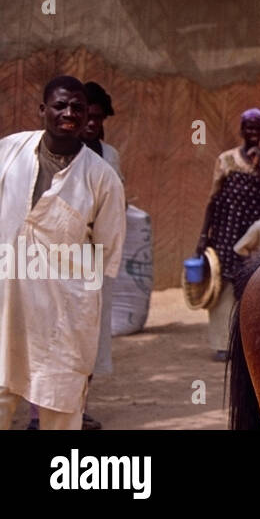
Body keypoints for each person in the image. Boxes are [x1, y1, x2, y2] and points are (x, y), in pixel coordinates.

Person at [0, 75, 125, 430]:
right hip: (6, 301)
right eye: (60, 105)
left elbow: (105, 252)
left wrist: (66, 287)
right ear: (43, 110)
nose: (69, 113)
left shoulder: (101, 178)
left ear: (87, 116)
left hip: (62, 317)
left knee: (61, 405)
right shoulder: (9, 152)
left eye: (77, 107)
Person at [197, 108, 260, 361]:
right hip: (225, 231)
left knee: (250, 287)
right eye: (248, 128)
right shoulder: (226, 159)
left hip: (255, 234)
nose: (252, 133)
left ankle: (245, 344)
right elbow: (213, 199)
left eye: (257, 128)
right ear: (242, 130)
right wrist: (203, 236)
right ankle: (222, 344)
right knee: (221, 289)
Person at [80, 80, 123, 430]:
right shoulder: (62, 152)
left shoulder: (110, 157)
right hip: (60, 257)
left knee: (89, 336)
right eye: (87, 115)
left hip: (95, 259)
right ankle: (42, 413)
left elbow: (116, 204)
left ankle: (78, 406)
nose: (92, 123)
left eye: (98, 116)